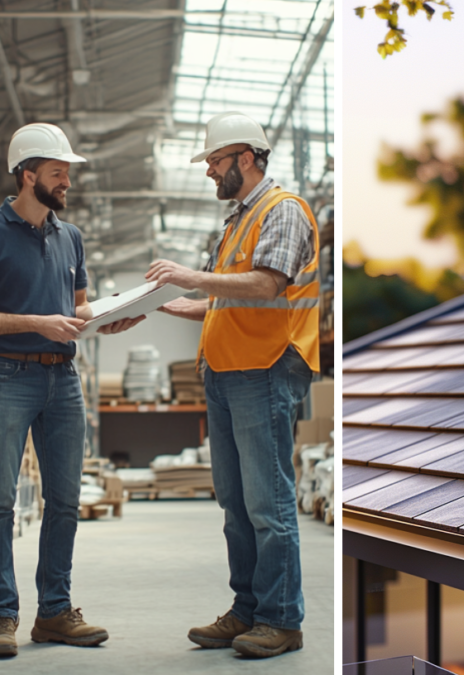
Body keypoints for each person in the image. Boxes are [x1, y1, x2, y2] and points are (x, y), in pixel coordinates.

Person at [148, 111, 319, 659]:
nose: (209, 173)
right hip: (225, 374)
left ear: (246, 158)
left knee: (267, 503)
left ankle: (281, 620)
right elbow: (231, 296)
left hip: (264, 370)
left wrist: (189, 276)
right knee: (237, 505)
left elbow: (267, 285)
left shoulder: (283, 210)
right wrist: (182, 306)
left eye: (215, 162)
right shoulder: (238, 220)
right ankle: (247, 609)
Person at [0, 123, 143, 657]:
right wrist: (37, 322)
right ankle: (3, 615)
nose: (66, 181)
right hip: (8, 377)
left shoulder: (70, 236)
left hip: (63, 380)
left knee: (64, 501)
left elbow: (75, 308)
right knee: (0, 504)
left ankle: (54, 613)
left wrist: (107, 317)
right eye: (58, 172)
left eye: (67, 173)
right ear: (28, 174)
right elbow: (39, 316)